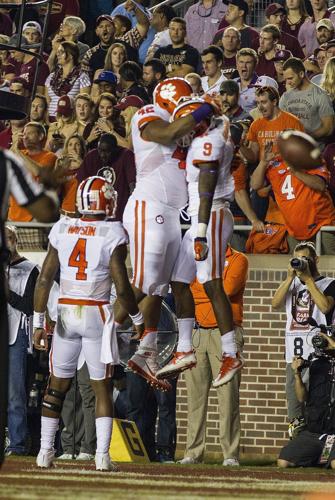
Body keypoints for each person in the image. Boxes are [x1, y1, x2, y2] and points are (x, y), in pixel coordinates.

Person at [33, 175, 144, 471]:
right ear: (106, 200)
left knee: (56, 386)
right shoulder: (112, 232)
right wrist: (136, 317)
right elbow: (122, 287)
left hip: (67, 311)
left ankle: (45, 452)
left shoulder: (63, 227)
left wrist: (37, 321)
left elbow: (44, 279)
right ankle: (102, 457)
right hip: (96, 312)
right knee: (101, 388)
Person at [116, 78, 217, 388]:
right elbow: (170, 132)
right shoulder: (149, 113)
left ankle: (145, 352)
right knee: (145, 282)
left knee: (160, 287)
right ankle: (103, 326)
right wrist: (205, 108)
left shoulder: (184, 122)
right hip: (150, 205)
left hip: (172, 212)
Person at [156, 99, 243, 386]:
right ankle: (184, 348)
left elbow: (205, 191)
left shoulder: (209, 143)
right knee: (179, 280)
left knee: (210, 280)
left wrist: (202, 232)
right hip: (199, 218)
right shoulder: (210, 137)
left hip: (212, 214)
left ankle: (230, 353)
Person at [178, 245, 248, 466]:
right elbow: (184, 290)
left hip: (225, 332)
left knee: (228, 397)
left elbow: (225, 290)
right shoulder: (193, 257)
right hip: (197, 331)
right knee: (195, 397)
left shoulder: (238, 259)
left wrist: (198, 291)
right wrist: (203, 292)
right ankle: (193, 452)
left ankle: (230, 454)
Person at [272, 241, 335, 422]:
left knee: (320, 412)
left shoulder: (329, 284)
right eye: (296, 259)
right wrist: (289, 278)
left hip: (320, 360)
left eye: (305, 259)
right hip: (294, 360)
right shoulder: (291, 286)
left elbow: (324, 307)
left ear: (316, 260)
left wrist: (308, 280)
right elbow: (275, 303)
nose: (300, 262)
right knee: (295, 416)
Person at [250, 132, 335, 254]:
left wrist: (295, 170)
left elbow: (320, 185)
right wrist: (263, 162)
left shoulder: (311, 158)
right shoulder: (274, 163)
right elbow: (255, 184)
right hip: (294, 229)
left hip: (322, 224)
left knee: (330, 265)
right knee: (299, 268)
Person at [5, 225, 39, 456]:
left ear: (16, 240)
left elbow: (29, 306)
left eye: (8, 238)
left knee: (15, 393)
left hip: (16, 335)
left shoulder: (31, 269)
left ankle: (17, 443)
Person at [278, 334, 335, 468]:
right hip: (315, 433)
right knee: (283, 462)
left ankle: (326, 458)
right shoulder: (316, 364)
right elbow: (301, 397)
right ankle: (322, 458)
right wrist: (297, 374)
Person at [77, 133, 136, 221]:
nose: (102, 155)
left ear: (116, 149)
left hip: (119, 214)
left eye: (107, 151)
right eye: (100, 150)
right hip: (95, 214)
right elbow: (81, 185)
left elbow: (133, 186)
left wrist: (131, 212)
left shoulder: (126, 155)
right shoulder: (91, 156)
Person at [8, 122, 58, 223]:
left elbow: (37, 172)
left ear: (40, 136)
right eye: (24, 134)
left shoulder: (50, 156)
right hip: (13, 214)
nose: (25, 137)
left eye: (29, 133)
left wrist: (17, 151)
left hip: (34, 216)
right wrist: (13, 147)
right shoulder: (19, 153)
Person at [243, 85, 304, 164]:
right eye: (258, 103)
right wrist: (240, 145)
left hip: (287, 172)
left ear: (274, 102)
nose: (260, 107)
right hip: (264, 172)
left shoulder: (293, 122)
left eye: (264, 102)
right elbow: (253, 158)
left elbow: (301, 154)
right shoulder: (256, 125)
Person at [280, 57, 335, 142]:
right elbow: (280, 124)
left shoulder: (320, 95)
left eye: (290, 78)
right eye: (286, 79)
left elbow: (328, 128)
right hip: (292, 149)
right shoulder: (285, 96)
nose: (288, 82)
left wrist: (305, 138)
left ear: (301, 74)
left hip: (315, 150)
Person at [45, 41, 91, 120]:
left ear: (71, 55)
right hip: (51, 120)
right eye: (58, 51)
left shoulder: (82, 77)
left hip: (69, 120)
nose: (58, 54)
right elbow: (47, 102)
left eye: (61, 51)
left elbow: (83, 103)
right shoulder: (51, 77)